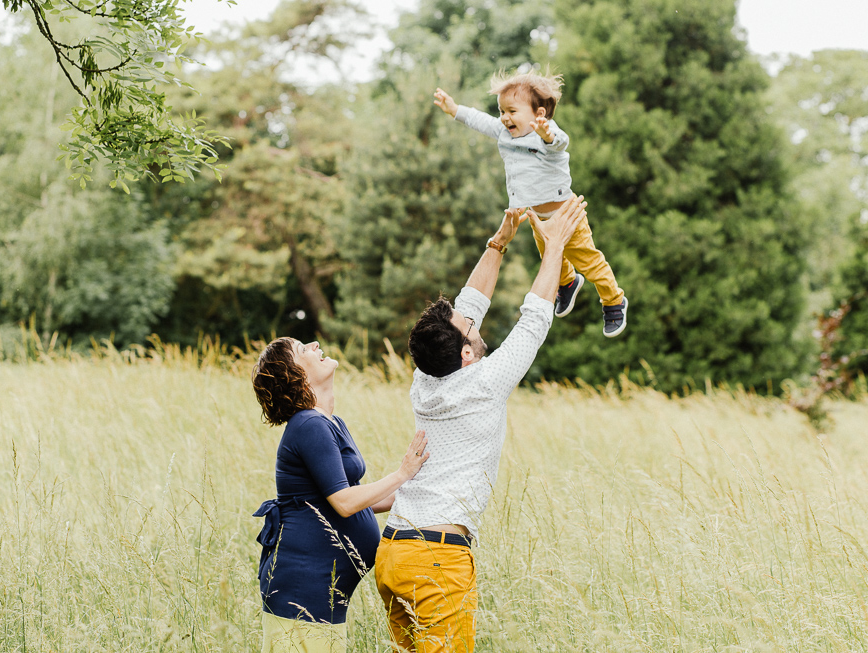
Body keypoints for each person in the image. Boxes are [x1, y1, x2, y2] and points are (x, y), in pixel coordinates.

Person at [374, 193, 588, 653]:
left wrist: (499, 243)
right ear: (467, 353)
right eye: (467, 326)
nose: (473, 322)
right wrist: (554, 248)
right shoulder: (485, 383)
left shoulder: (424, 379)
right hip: (437, 558)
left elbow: (470, 304)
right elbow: (535, 318)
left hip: (393, 550)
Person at [251, 337, 430, 653]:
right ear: (295, 372)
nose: (315, 344)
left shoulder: (329, 422)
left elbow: (360, 501)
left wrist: (421, 487)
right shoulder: (308, 424)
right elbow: (345, 503)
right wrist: (402, 473)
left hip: (322, 596)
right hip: (303, 592)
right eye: (302, 349)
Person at [433, 71, 628, 337]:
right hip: (538, 216)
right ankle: (568, 285)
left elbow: (560, 142)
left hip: (566, 216)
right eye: (502, 110)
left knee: (590, 262)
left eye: (512, 110)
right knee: (551, 259)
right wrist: (455, 109)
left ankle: (614, 300)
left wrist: (547, 133)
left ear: (539, 113)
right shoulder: (505, 133)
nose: (504, 117)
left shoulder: (545, 134)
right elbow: (481, 121)